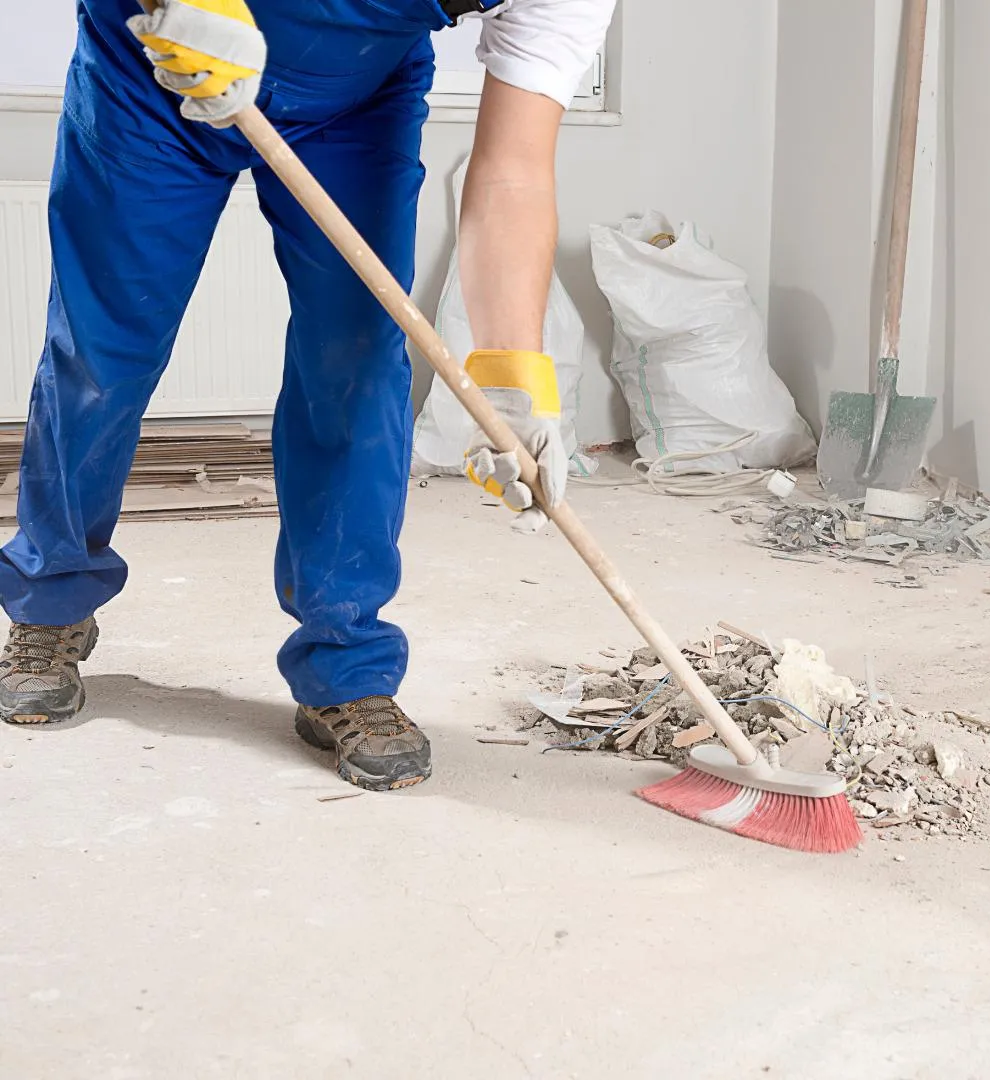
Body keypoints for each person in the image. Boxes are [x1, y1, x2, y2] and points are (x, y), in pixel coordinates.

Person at [0, 0, 616, 790]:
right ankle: (50, 597)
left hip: (352, 101)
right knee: (103, 349)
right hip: (153, 68)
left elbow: (515, 170)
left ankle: (346, 659)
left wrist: (513, 376)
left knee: (357, 357)